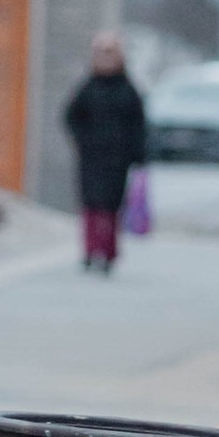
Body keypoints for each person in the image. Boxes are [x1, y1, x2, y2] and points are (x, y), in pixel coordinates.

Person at [66, 33, 149, 272]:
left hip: (118, 159)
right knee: (91, 205)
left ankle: (109, 251)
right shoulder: (87, 88)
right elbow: (71, 117)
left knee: (111, 206)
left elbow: (138, 125)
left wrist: (138, 154)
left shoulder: (128, 90)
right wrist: (83, 140)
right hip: (91, 157)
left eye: (110, 54)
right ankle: (91, 250)